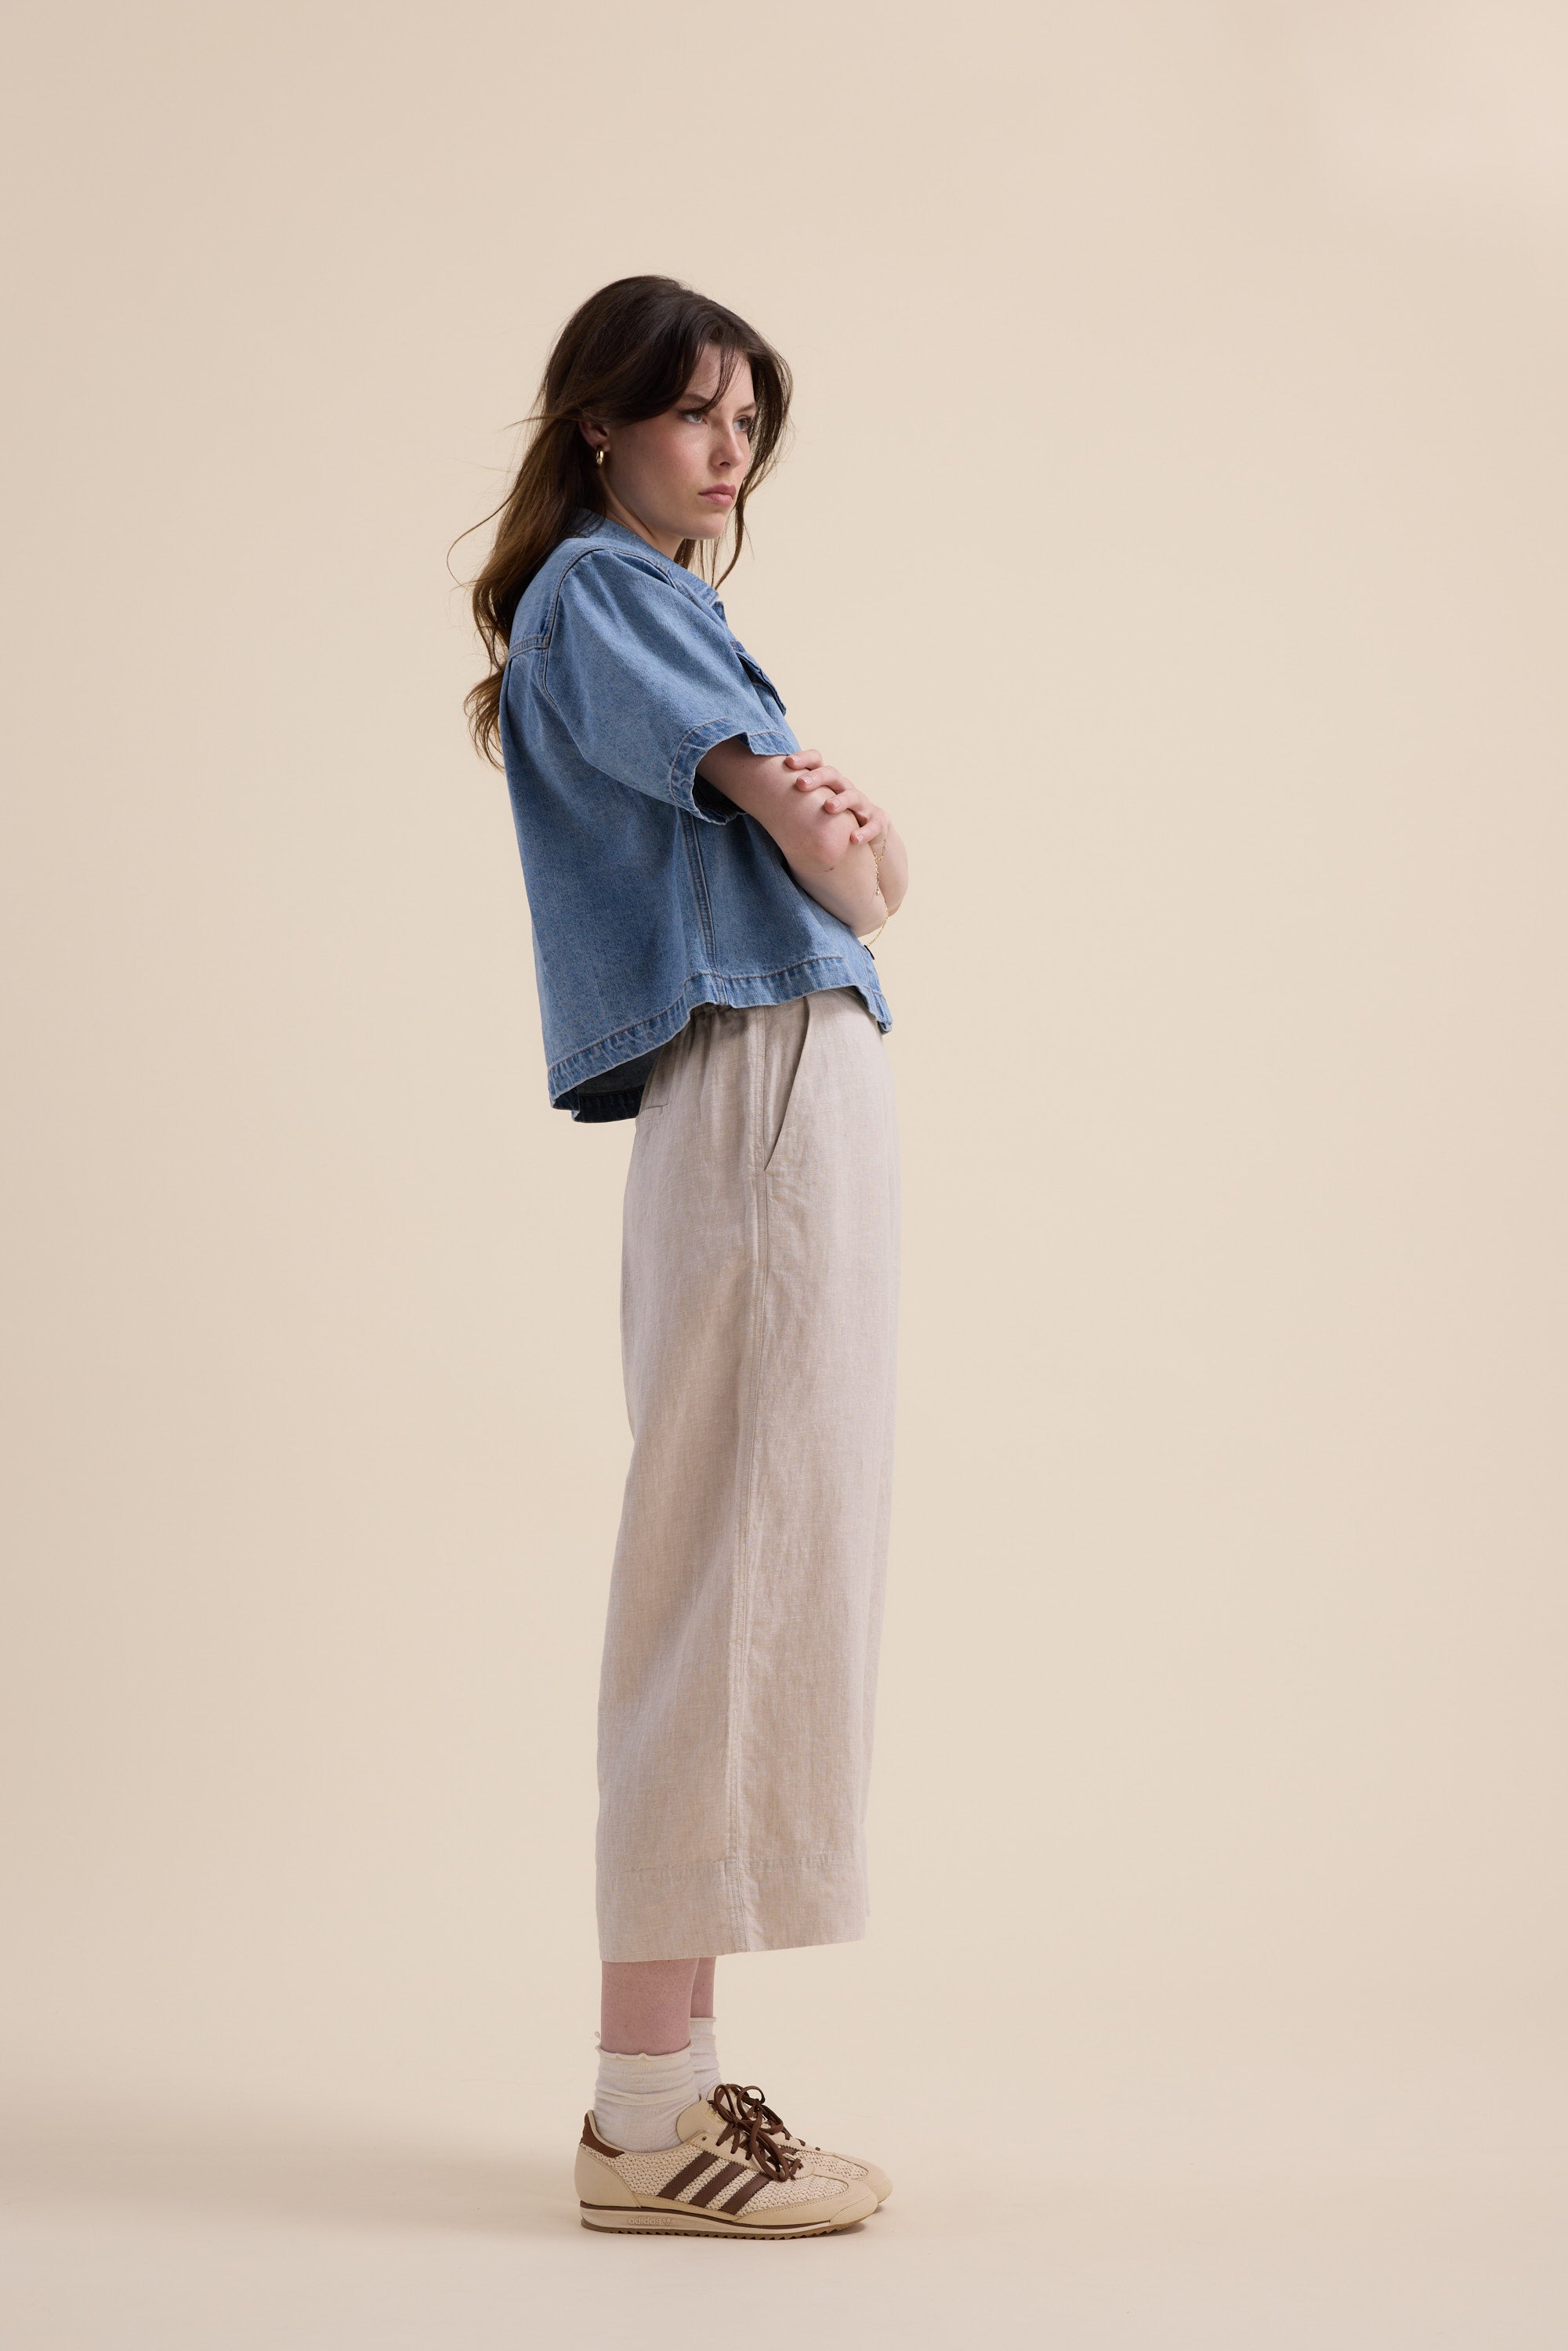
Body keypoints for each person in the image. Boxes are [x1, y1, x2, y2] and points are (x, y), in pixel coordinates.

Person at [464, 275, 907, 2238]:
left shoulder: (652, 596)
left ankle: (674, 2085)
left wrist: (855, 858)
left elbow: (868, 870)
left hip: (769, 1074)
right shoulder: (601, 595)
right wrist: (838, 840)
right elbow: (839, 856)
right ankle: (642, 2118)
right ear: (598, 425)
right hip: (754, 1070)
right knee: (727, 1560)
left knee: (756, 1552)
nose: (727, 450)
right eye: (693, 413)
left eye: (747, 421)